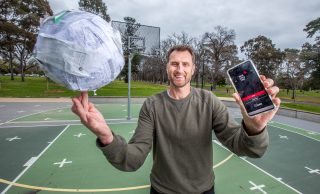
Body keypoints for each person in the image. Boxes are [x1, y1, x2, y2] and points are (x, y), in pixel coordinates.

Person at [71, 45, 281, 194]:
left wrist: (254, 129)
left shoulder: (208, 101)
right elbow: (132, 159)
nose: (179, 69)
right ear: (167, 68)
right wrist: (106, 135)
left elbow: (243, 146)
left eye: (185, 64)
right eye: (174, 64)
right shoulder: (152, 105)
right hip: (162, 190)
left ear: (193, 69)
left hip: (204, 190)